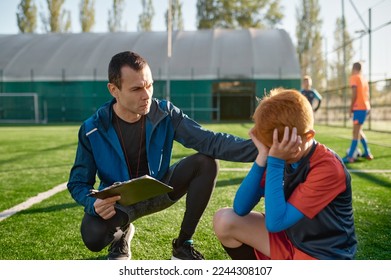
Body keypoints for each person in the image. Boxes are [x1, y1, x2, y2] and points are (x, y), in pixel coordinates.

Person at [67, 51, 257, 260]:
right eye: (137, 88)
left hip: (161, 188)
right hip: (120, 202)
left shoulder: (165, 113)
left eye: (149, 85)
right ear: (114, 90)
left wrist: (262, 149)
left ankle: (183, 244)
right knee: (92, 236)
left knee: (206, 162)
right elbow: (78, 183)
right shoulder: (92, 129)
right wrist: (92, 204)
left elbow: (209, 141)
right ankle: (121, 237)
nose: (146, 95)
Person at [213, 88, 357, 260]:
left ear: (309, 136)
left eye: (285, 146)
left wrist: (275, 161)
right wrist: (262, 158)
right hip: (290, 239)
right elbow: (241, 207)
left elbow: (275, 223)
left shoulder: (328, 168)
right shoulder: (278, 151)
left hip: (323, 254)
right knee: (225, 220)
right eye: (272, 146)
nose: (279, 151)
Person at [343, 62, 374, 164]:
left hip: (359, 108)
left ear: (353, 68)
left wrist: (351, 108)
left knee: (355, 132)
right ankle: (368, 153)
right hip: (365, 107)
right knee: (359, 131)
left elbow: (354, 94)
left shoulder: (354, 77)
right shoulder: (364, 79)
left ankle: (350, 156)